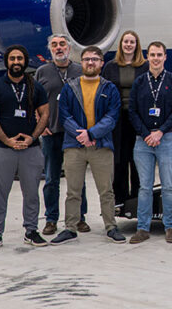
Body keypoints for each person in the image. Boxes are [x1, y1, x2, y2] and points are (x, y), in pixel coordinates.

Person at [50, 46, 125, 245]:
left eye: (94, 59)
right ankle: (70, 228)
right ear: (81, 63)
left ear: (101, 63)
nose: (90, 63)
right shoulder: (70, 87)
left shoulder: (109, 88)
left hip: (101, 145)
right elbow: (64, 115)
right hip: (74, 146)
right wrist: (81, 135)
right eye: (86, 59)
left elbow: (112, 117)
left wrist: (92, 133)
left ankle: (111, 227)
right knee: (73, 190)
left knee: (106, 190)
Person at [0, 45, 49, 251]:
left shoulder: (35, 87)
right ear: (7, 62)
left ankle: (31, 231)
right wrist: (7, 140)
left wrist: (32, 138)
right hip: (4, 149)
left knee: (31, 193)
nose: (17, 62)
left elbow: (45, 114)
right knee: (0, 193)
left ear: (25, 61)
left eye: (20, 58)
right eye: (13, 59)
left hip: (31, 149)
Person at [127, 41, 172, 244]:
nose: (156, 58)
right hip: (143, 141)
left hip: (167, 138)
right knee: (145, 186)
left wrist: (160, 132)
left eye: (159, 55)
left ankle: (170, 227)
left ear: (165, 57)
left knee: (168, 185)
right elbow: (132, 111)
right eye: (152, 55)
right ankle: (143, 228)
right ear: (147, 56)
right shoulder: (140, 82)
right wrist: (146, 134)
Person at [35, 35, 88, 236]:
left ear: (69, 47)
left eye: (62, 44)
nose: (59, 48)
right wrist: (40, 125)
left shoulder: (80, 71)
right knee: (51, 178)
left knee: (77, 179)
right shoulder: (42, 72)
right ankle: (50, 219)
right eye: (55, 45)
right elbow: (34, 102)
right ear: (50, 49)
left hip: (74, 135)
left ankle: (79, 218)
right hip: (51, 133)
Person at [101, 29, 146, 217]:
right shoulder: (111, 67)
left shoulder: (144, 66)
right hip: (117, 120)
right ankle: (119, 201)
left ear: (137, 45)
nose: (129, 45)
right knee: (119, 161)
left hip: (137, 119)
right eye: (126, 42)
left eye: (132, 42)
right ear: (121, 45)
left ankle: (136, 201)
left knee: (138, 161)